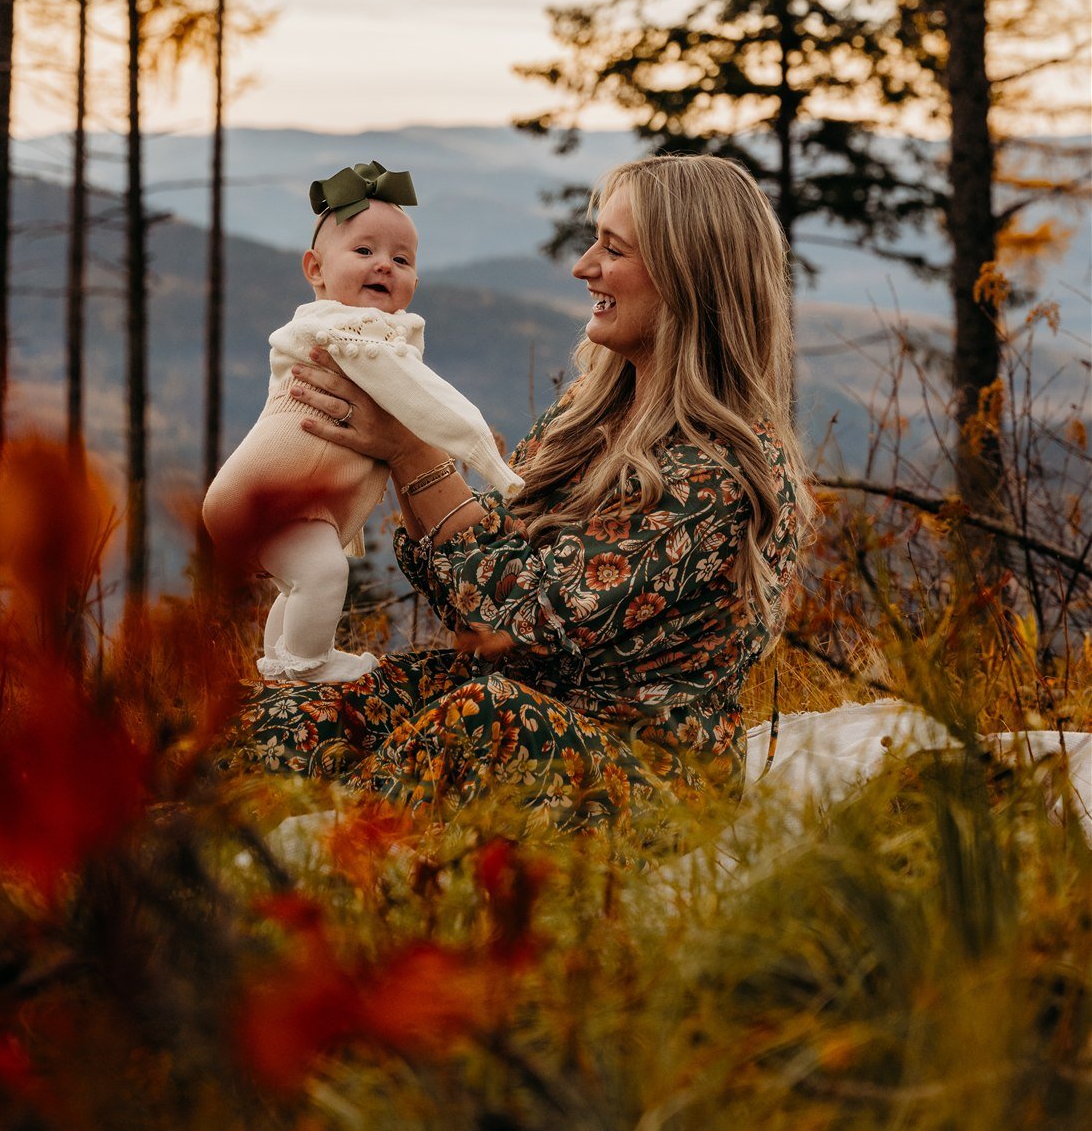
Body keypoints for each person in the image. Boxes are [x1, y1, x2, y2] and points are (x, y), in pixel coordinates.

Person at [227, 154, 816, 828]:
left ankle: (320, 865)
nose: (583, 265)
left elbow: (517, 619)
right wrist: (385, 434)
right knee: (289, 714)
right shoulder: (585, 418)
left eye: (612, 249)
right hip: (508, 701)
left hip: (637, 771)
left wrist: (412, 447)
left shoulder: (714, 471)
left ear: (686, 277)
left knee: (482, 721)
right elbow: (480, 577)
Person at [202, 161, 520, 684]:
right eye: (364, 251)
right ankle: (310, 666)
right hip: (267, 495)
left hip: (287, 503)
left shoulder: (325, 331)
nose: (385, 266)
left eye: (402, 258)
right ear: (315, 270)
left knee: (303, 579)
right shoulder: (351, 335)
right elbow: (425, 398)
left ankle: (282, 665)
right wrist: (488, 458)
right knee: (325, 574)